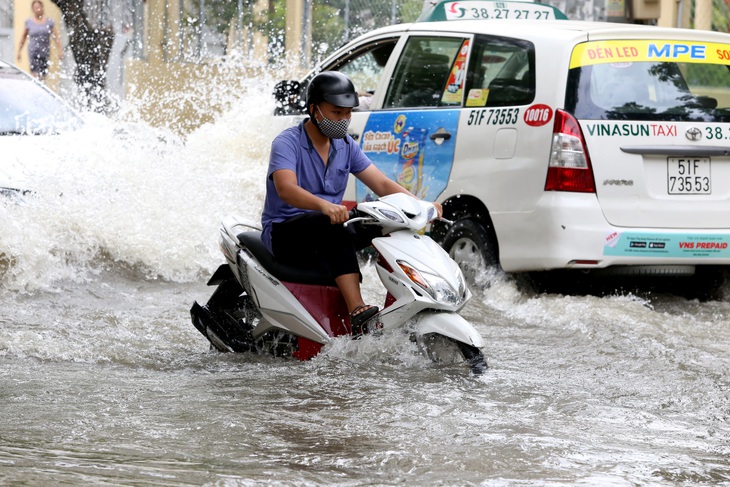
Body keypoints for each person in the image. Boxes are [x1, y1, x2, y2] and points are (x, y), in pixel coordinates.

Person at [261, 71, 441, 335]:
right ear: (314, 109)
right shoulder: (287, 142)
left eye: (348, 113)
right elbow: (286, 189)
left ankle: (410, 298)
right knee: (337, 228)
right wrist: (324, 206)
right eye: (336, 113)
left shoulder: (345, 145)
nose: (344, 120)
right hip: (284, 232)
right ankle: (357, 308)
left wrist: (422, 205)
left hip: (328, 227)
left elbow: (381, 185)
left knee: (386, 223)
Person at [16, 0, 64, 82]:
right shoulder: (29, 22)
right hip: (33, 52)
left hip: (44, 53)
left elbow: (56, 37)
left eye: (38, 7)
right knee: (35, 75)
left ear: (42, 8)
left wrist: (60, 50)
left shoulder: (49, 22)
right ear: (32, 9)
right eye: (35, 7)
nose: (37, 9)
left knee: (43, 75)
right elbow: (23, 38)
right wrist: (19, 52)